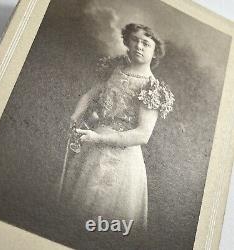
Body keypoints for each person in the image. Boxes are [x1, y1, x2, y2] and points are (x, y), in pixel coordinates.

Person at [59, 23, 175, 247]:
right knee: (76, 212)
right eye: (135, 40)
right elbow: (92, 93)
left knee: (105, 216)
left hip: (121, 160)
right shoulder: (115, 68)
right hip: (91, 147)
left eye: (146, 43)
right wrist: (76, 115)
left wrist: (98, 138)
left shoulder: (153, 88)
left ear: (155, 51)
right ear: (127, 42)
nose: (139, 46)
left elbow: (142, 135)